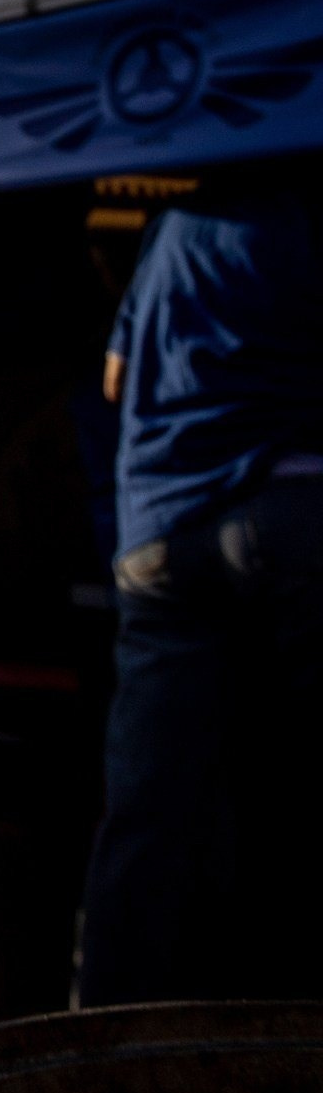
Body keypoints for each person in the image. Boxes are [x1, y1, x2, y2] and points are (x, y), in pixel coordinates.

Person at [79, 155, 323, 1005]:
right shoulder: (300, 216)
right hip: (291, 512)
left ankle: (99, 1038)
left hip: (159, 538)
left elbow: (113, 380)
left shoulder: (169, 233)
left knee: (149, 804)